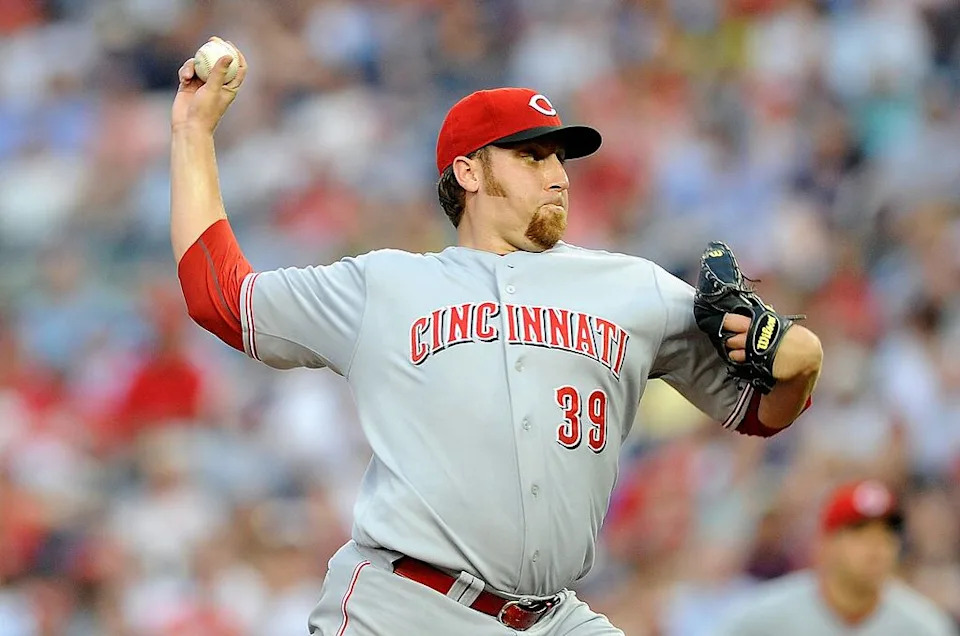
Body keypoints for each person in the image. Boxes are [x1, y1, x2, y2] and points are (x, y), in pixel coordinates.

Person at [170, 39, 823, 635]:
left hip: (550, 618)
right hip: (405, 608)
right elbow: (221, 298)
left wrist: (799, 369)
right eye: (531, 154)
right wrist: (193, 132)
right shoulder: (385, 285)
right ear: (470, 173)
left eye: (559, 157)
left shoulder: (634, 289)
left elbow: (757, 414)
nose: (558, 174)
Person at [718, 480, 959, 636]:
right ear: (826, 544)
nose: (877, 546)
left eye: (887, 534)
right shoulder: (764, 618)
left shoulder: (923, 627)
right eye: (859, 532)